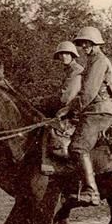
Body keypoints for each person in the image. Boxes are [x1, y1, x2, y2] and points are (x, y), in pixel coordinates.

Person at [56, 26, 112, 206]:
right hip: (94, 110)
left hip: (99, 111)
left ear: (95, 43)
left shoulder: (99, 61)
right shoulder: (92, 61)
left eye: (87, 43)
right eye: (81, 44)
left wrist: (70, 109)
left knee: (78, 147)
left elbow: (88, 93)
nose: (83, 47)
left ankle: (91, 192)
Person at [41, 41, 84, 175]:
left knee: (49, 127)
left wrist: (47, 102)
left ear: (72, 55)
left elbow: (67, 97)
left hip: (74, 110)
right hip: (69, 108)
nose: (63, 56)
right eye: (61, 54)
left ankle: (55, 164)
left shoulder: (76, 71)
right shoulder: (69, 71)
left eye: (66, 54)